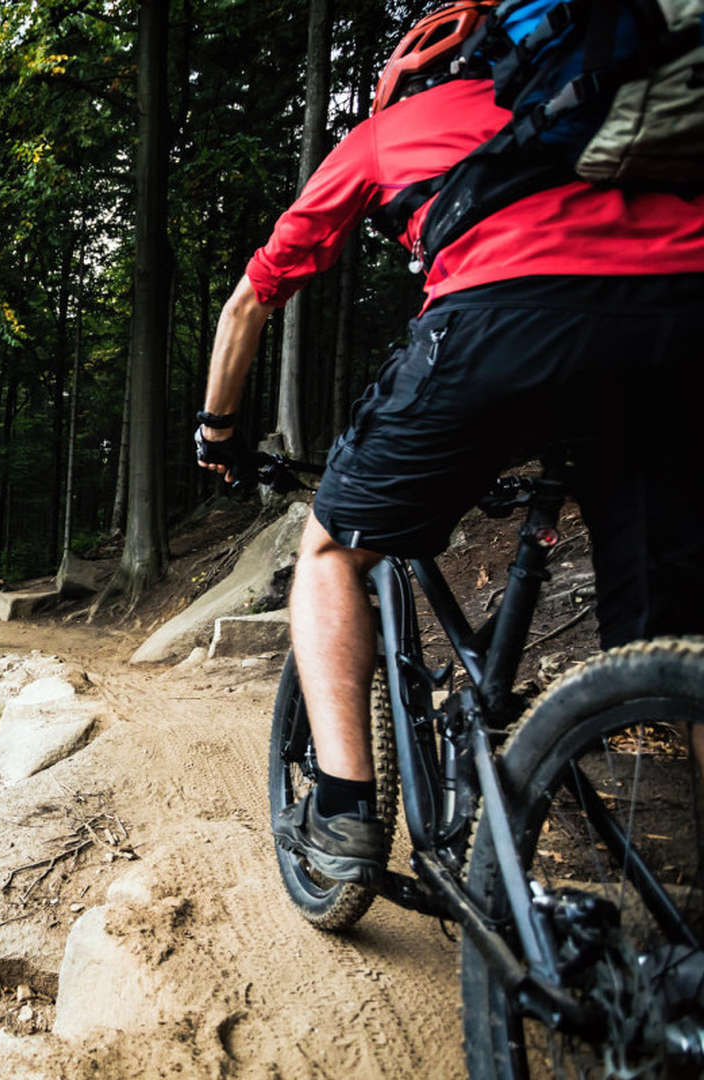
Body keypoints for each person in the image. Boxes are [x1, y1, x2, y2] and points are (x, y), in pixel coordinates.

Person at [196, 0, 704, 883]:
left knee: (330, 550)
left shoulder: (391, 131)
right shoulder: (614, 104)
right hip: (681, 330)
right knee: (681, 635)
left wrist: (220, 429)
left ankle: (347, 812)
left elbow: (248, 302)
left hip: (499, 329)